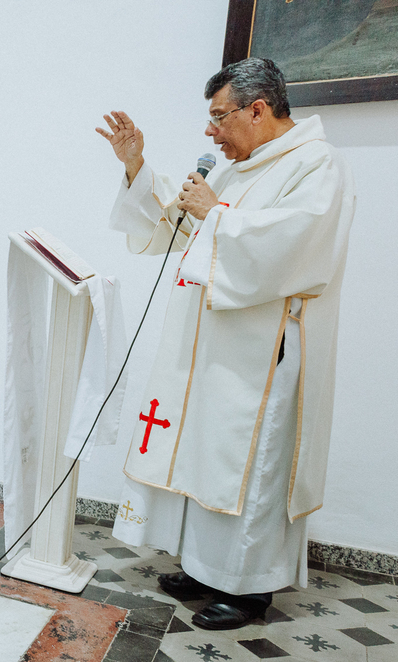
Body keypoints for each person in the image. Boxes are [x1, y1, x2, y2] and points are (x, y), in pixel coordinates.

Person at [96, 57, 355, 630]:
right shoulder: (239, 166)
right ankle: (202, 565)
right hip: (210, 347)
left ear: (257, 109)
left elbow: (297, 246)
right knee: (203, 455)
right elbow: (188, 227)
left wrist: (217, 217)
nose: (210, 132)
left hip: (262, 357)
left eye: (218, 118)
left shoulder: (316, 166)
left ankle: (244, 587)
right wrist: (139, 167)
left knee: (248, 463)